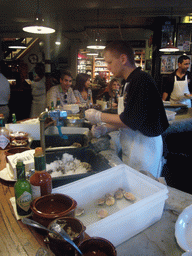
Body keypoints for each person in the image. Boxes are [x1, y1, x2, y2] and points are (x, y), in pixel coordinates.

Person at [85, 40, 169, 178]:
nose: (108, 67)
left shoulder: (141, 80)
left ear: (123, 59)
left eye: (110, 62)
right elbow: (129, 116)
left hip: (145, 149)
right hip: (132, 145)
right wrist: (106, 128)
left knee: (144, 190)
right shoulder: (128, 82)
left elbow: (130, 120)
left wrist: (98, 116)